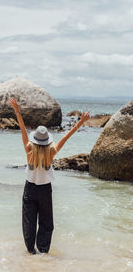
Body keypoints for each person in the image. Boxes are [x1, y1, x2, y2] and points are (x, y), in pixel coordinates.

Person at [9, 97, 90, 254]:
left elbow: (23, 130)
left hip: (30, 190)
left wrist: (17, 112)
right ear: (47, 141)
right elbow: (66, 137)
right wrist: (80, 123)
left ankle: (30, 251)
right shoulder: (51, 152)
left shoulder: (29, 150)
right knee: (46, 223)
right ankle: (43, 251)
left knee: (29, 221)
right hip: (45, 190)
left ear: (34, 141)